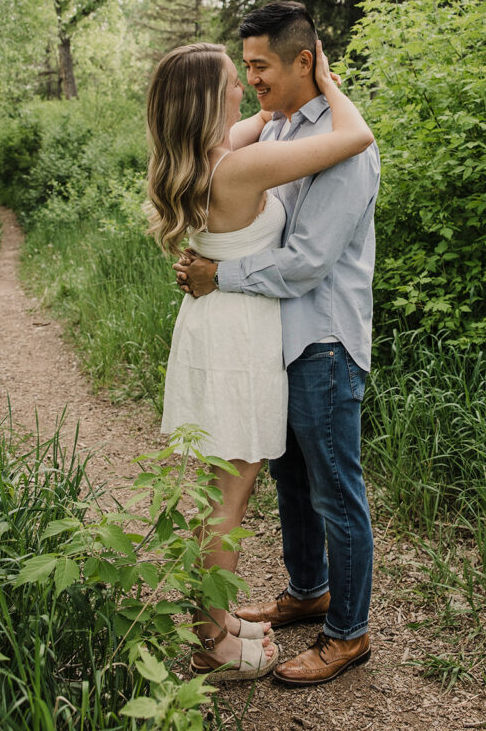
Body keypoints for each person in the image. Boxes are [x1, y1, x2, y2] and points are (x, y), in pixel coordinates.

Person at [146, 33, 373, 684]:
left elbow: (266, 117)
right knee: (229, 501)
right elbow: (354, 138)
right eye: (230, 80)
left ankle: (214, 623)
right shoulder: (237, 167)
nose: (244, 87)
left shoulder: (201, 156)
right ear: (206, 101)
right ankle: (211, 645)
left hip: (210, 332)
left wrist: (287, 85)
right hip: (236, 342)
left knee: (219, 495)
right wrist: (325, 80)